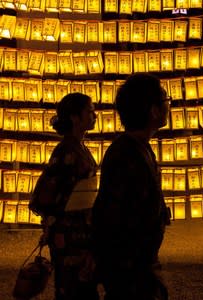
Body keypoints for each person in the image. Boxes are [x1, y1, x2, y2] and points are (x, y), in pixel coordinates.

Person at [91, 73, 171, 300]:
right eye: (165, 101)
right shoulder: (125, 154)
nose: (168, 106)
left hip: (139, 261)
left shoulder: (139, 148)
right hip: (128, 265)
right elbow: (111, 212)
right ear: (153, 111)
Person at [29, 92, 99, 300]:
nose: (94, 115)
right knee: (72, 286)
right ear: (75, 118)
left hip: (81, 228)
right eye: (90, 111)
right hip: (69, 232)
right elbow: (47, 193)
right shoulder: (66, 151)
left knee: (83, 285)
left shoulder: (78, 148)